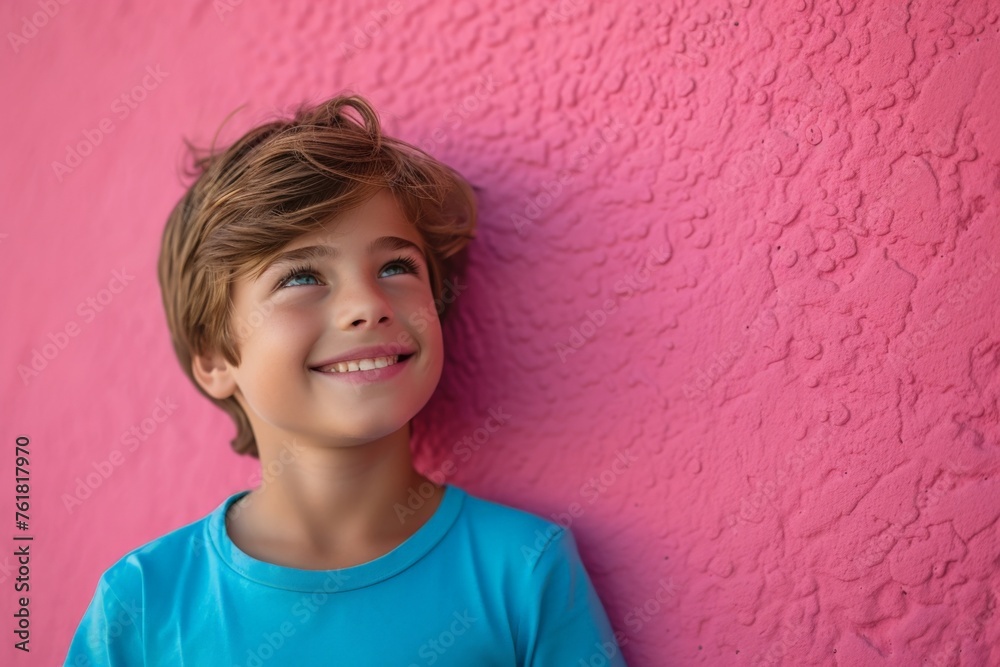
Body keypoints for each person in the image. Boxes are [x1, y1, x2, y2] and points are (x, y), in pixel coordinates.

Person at [64, 94, 627, 666]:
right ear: (214, 358)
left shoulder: (524, 570)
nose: (367, 304)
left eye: (395, 268)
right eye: (302, 275)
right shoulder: (141, 603)